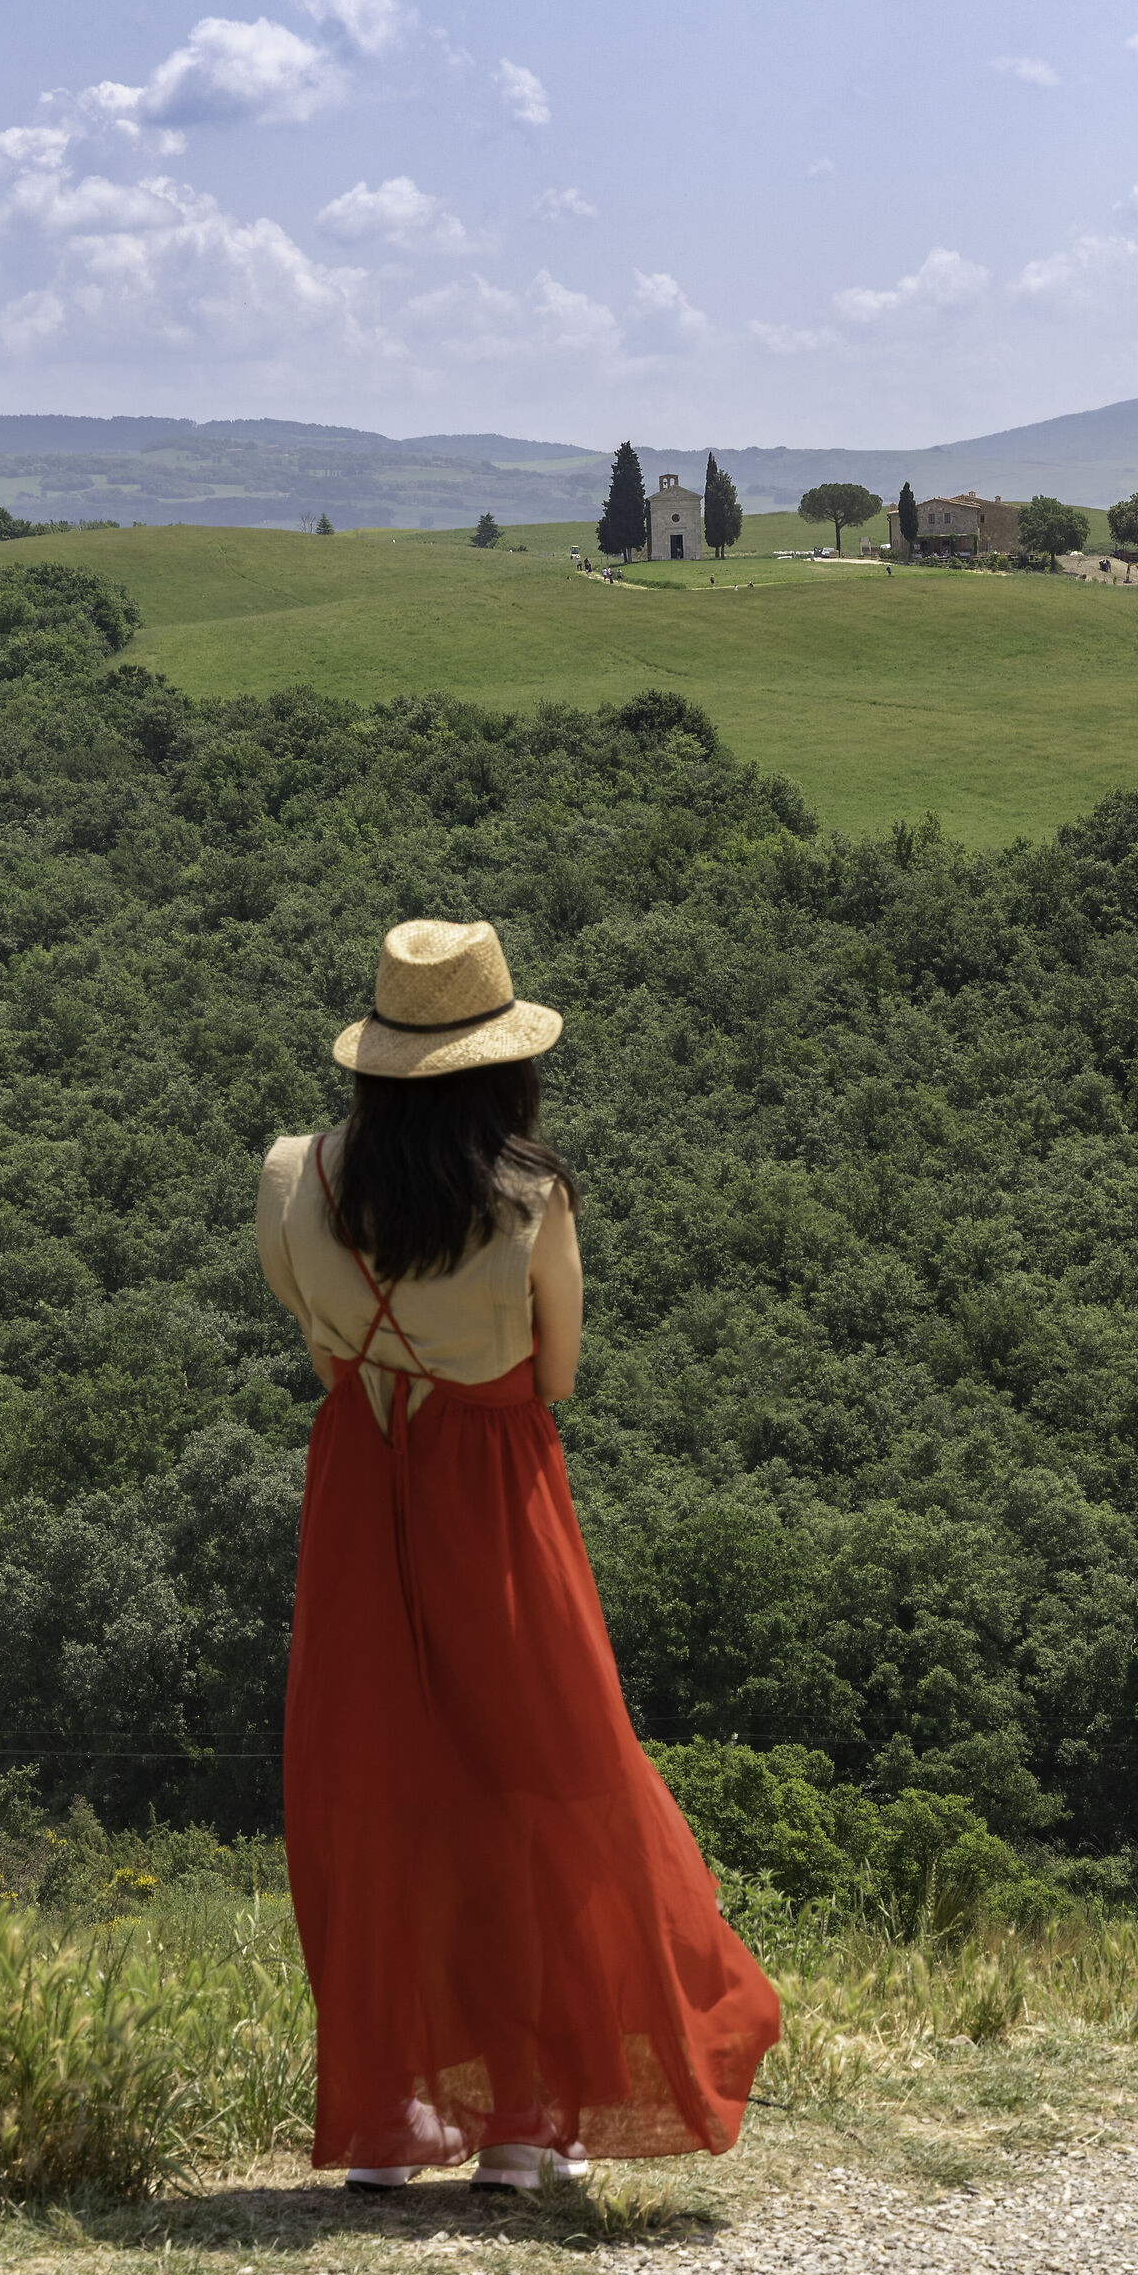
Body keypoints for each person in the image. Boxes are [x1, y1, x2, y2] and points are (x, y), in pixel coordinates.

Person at [257, 921, 780, 2195]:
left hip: (363, 1484)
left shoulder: (293, 1175)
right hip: (494, 1493)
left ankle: (391, 2128)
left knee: (378, 1789)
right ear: (504, 1067)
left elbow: (328, 1356)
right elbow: (553, 1375)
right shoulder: (531, 1195)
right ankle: (526, 2127)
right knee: (549, 1784)